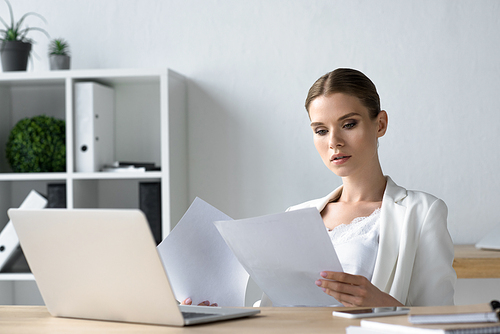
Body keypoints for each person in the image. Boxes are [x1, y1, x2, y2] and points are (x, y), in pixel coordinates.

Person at [186, 68, 456, 307]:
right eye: (321, 130)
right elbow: (274, 309)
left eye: (348, 124)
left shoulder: (421, 213)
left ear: (380, 124)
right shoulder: (297, 214)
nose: (334, 142)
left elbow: (439, 319)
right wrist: (214, 311)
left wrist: (380, 303)